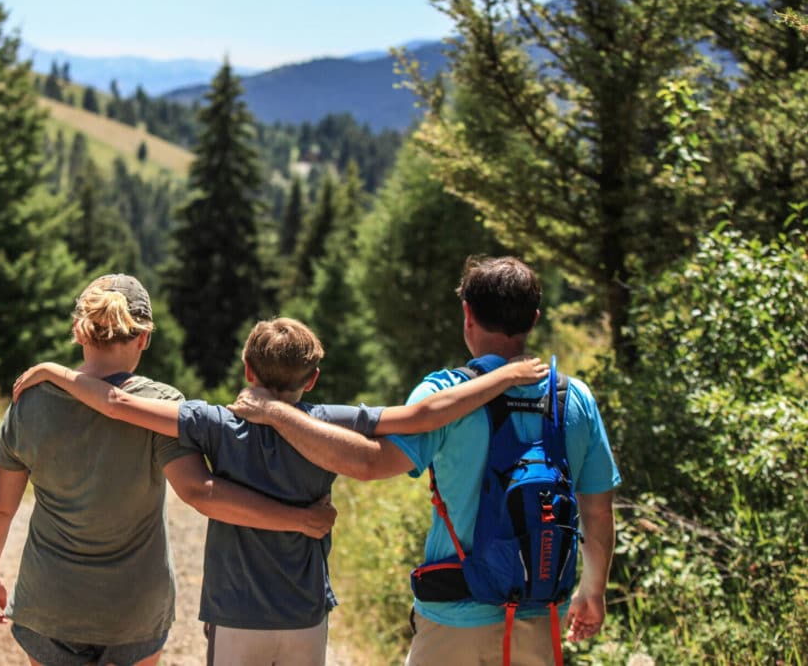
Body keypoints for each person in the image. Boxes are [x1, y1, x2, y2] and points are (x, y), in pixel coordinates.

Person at [12, 317, 549, 666]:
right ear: (311, 380)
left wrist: (55, 371)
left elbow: (120, 405)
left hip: (234, 608)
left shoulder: (215, 422)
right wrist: (502, 378)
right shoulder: (333, 421)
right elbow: (422, 414)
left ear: (247, 369)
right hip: (304, 609)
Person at [228, 257, 621, 666]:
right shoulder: (574, 398)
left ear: (467, 314)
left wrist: (276, 412)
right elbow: (596, 509)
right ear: (534, 319)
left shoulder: (446, 393)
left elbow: (369, 464)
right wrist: (593, 591)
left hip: (455, 617)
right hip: (542, 614)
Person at [0, 276, 337, 666]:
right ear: (144, 338)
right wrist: (299, 520)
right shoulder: (159, 405)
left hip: (50, 603)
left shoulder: (31, 401)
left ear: (80, 332)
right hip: (134, 608)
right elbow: (201, 493)